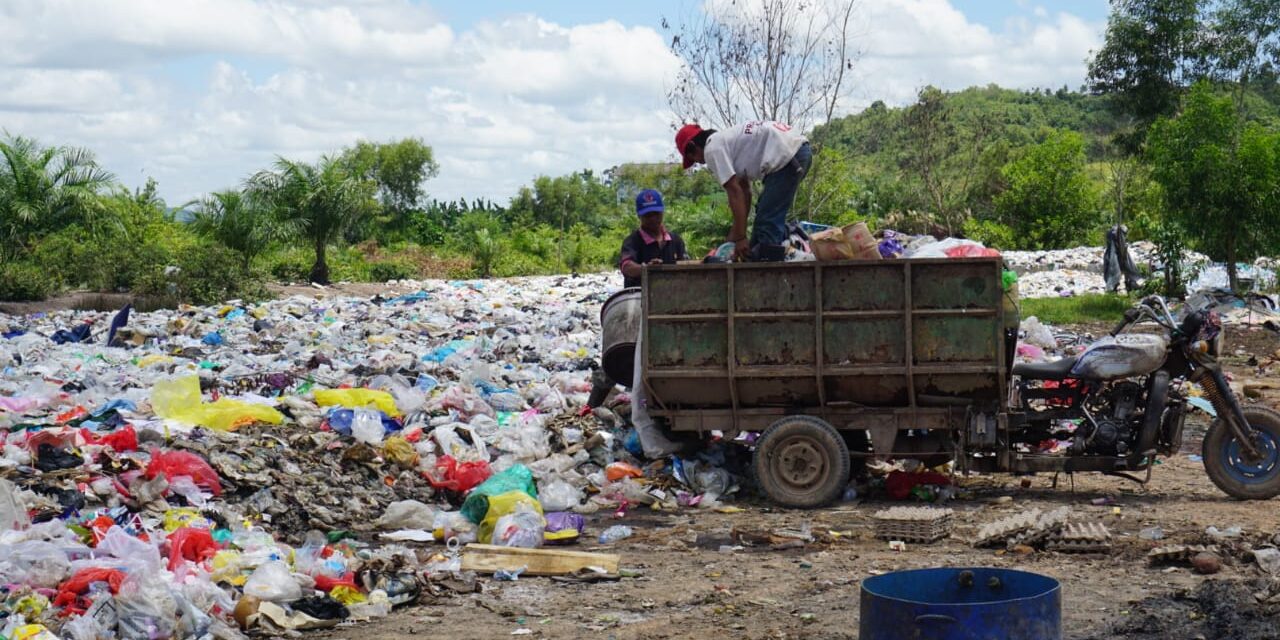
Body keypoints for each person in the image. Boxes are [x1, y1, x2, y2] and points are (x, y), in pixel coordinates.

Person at [675, 121, 812, 262]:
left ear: (692, 146)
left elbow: (734, 192)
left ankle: (775, 269)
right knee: (762, 222)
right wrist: (736, 234)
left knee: (767, 224)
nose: (699, 162)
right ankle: (784, 248)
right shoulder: (727, 142)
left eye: (693, 159)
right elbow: (744, 192)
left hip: (788, 156)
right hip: (796, 151)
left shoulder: (712, 149)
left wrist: (741, 238)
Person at [618, 188, 688, 287]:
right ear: (639, 216)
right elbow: (626, 266)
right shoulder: (632, 241)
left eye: (656, 214)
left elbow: (685, 266)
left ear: (662, 212)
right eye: (648, 215)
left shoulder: (676, 241)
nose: (653, 219)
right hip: (640, 298)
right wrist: (646, 269)